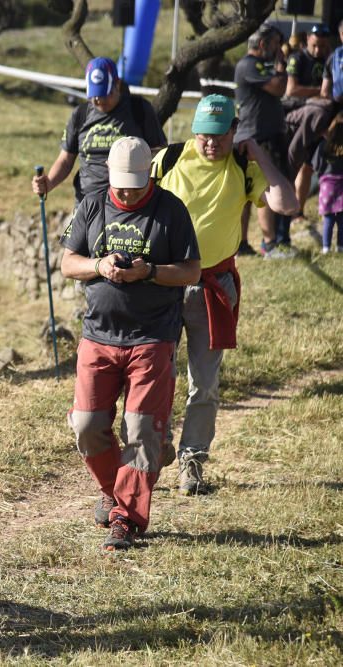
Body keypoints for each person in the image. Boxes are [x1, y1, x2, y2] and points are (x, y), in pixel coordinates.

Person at [152, 96, 298, 495]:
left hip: (213, 287)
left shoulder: (244, 168)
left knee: (204, 382)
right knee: (154, 372)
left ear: (234, 131)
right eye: (204, 135)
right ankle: (156, 445)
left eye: (219, 135)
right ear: (193, 131)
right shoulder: (168, 159)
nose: (211, 144)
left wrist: (258, 155)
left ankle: (192, 462)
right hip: (164, 283)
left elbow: (288, 204)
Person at [61, 137, 201, 551]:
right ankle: (115, 489)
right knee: (87, 425)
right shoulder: (92, 204)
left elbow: (192, 271)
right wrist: (98, 265)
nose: (126, 193)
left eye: (135, 186)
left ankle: (126, 518)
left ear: (150, 177)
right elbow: (68, 262)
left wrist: (150, 271)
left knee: (142, 430)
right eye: (121, 185)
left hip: (153, 338)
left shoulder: (172, 210)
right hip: (99, 336)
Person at [32, 56, 166, 207]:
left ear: (117, 84)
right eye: (94, 95)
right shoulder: (80, 114)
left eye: (104, 94)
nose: (98, 100)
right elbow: (65, 160)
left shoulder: (139, 110)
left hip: (129, 203)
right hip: (87, 204)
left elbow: (160, 153)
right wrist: (48, 183)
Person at [234, 23, 293, 258]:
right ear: (262, 43)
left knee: (253, 193)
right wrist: (281, 66)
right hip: (257, 138)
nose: (279, 48)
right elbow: (279, 88)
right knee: (264, 190)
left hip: (264, 136)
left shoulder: (257, 65)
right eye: (275, 43)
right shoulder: (248, 65)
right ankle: (268, 244)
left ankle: (245, 244)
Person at [285, 24, 334, 223]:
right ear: (307, 39)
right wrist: (320, 92)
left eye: (322, 46)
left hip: (322, 121)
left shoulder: (330, 59)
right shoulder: (297, 58)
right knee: (293, 162)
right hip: (297, 118)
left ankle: (298, 211)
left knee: (308, 167)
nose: (318, 50)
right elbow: (291, 90)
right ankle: (286, 210)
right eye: (315, 45)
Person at [312, 112, 343, 253]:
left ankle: (326, 247)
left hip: (327, 186)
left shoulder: (324, 145)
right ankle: (340, 246)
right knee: (342, 219)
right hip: (342, 185)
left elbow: (316, 165)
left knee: (328, 218)